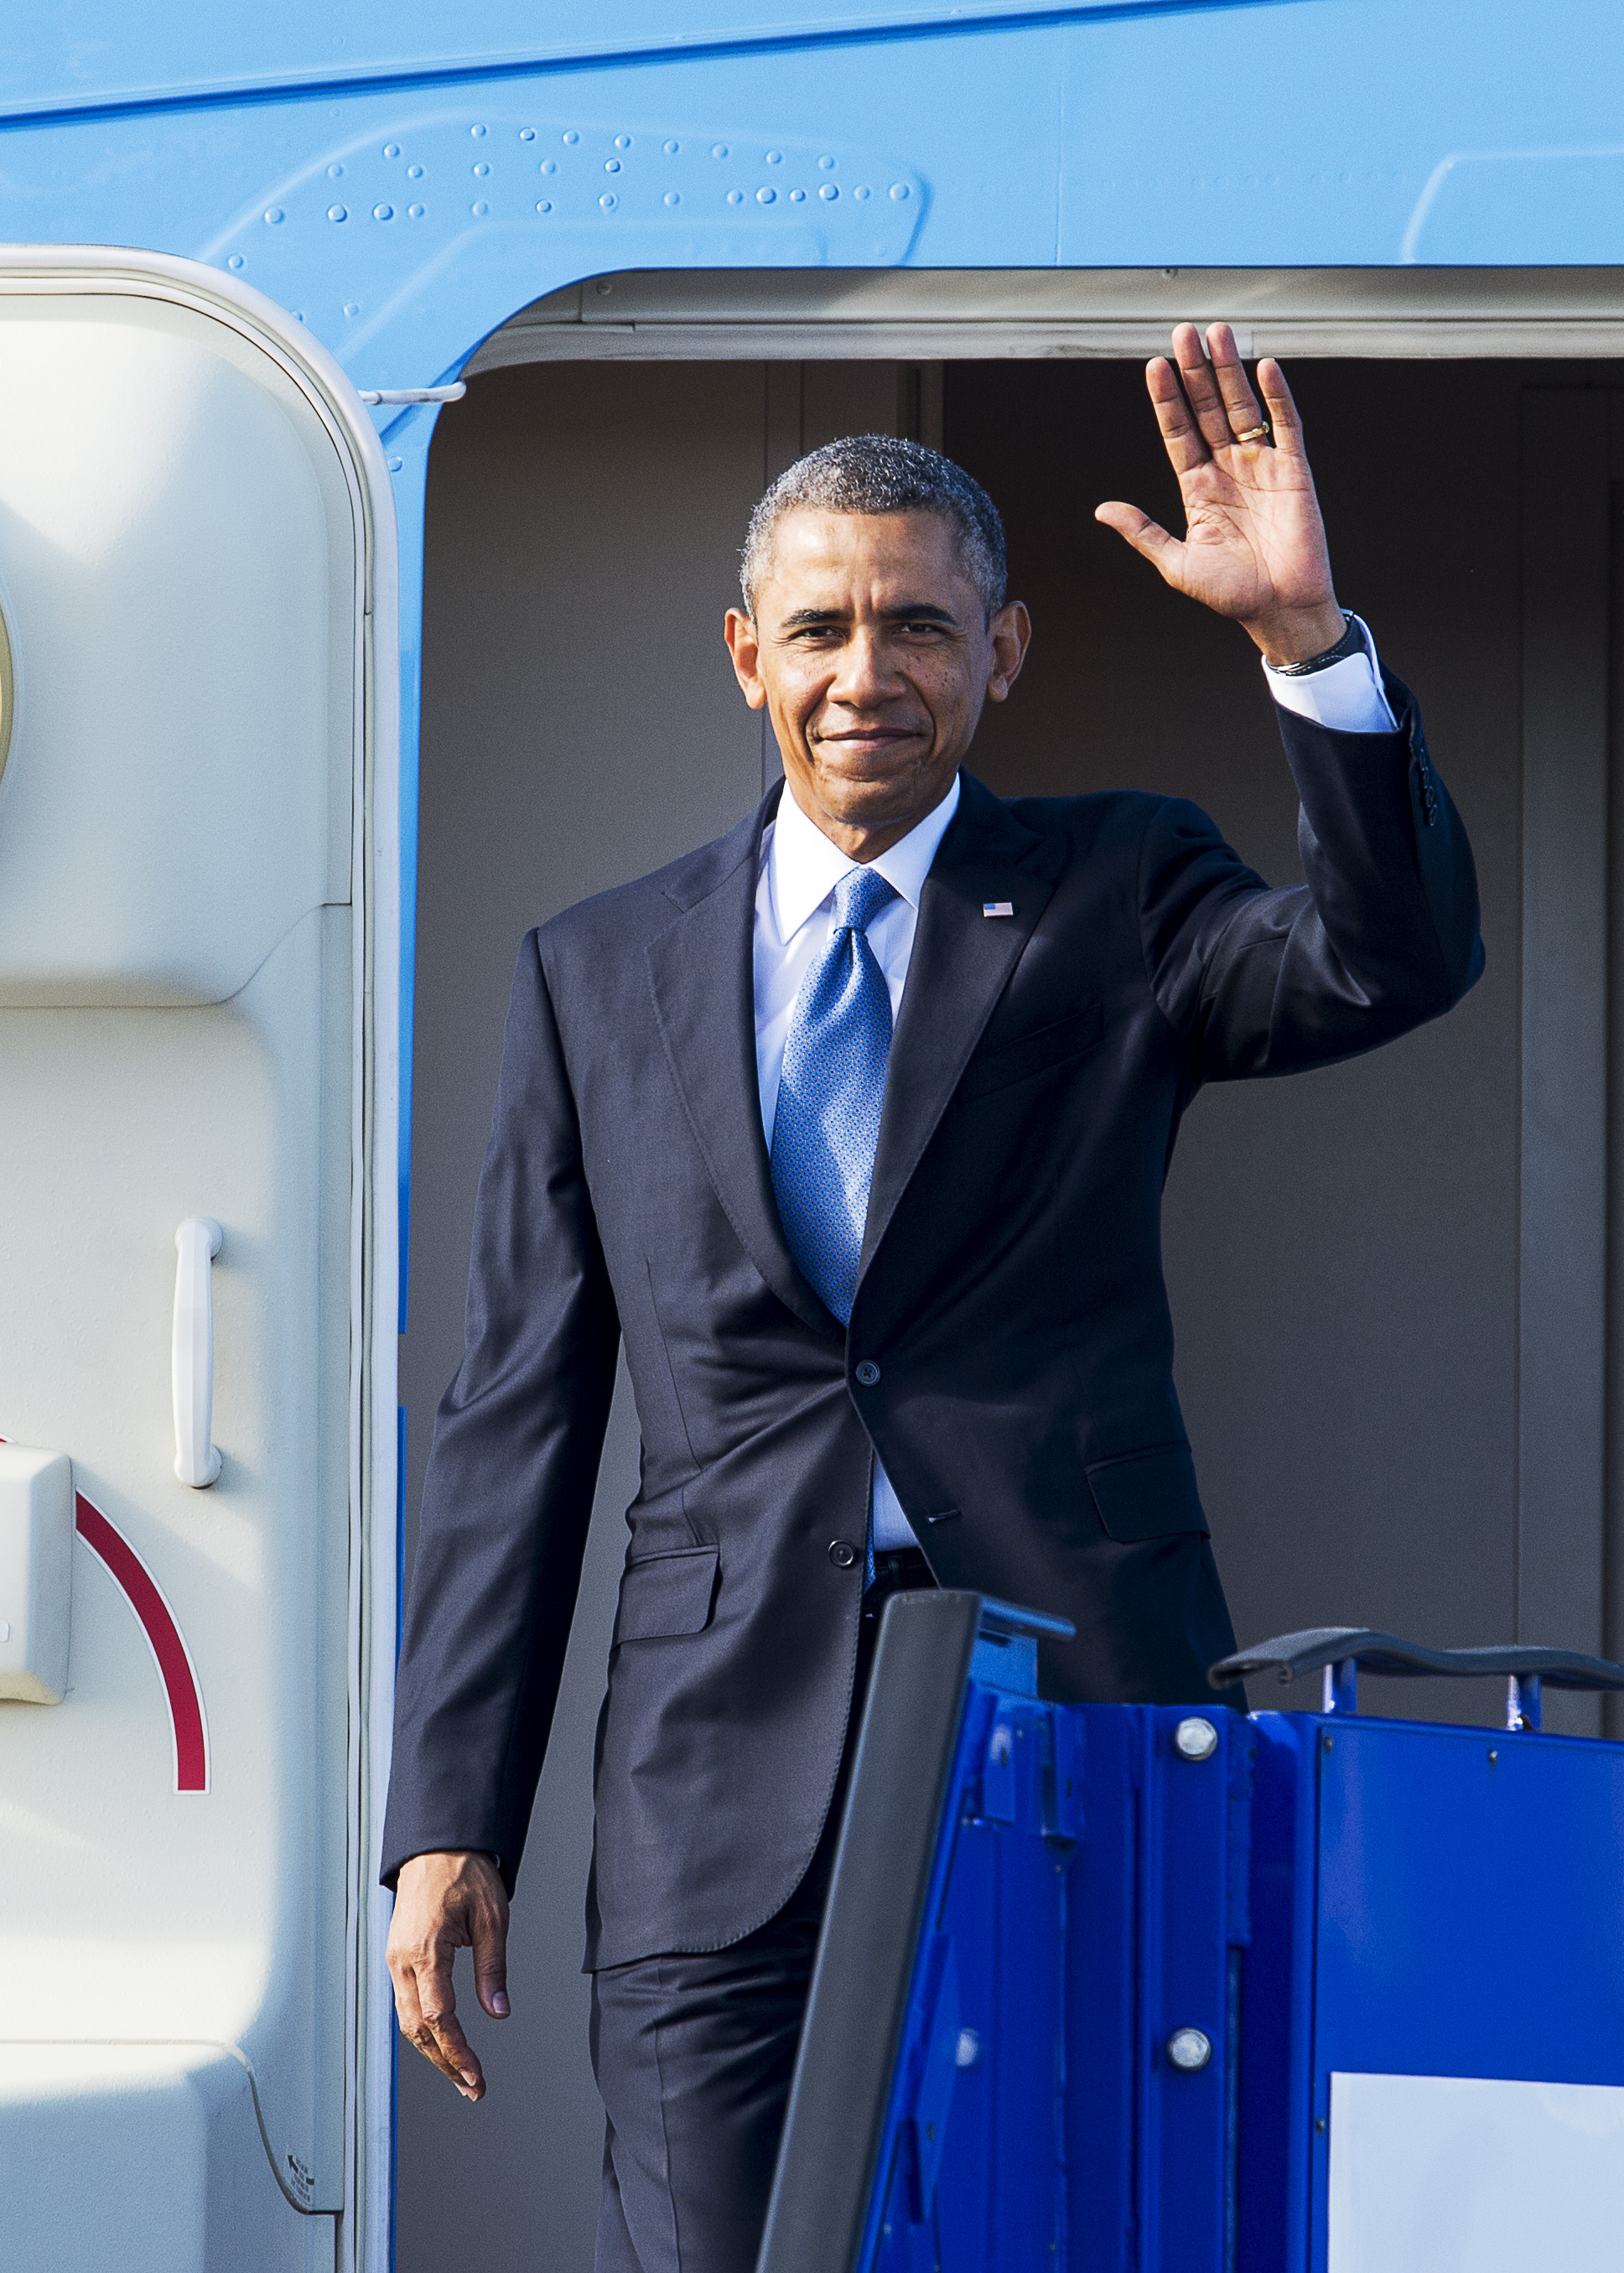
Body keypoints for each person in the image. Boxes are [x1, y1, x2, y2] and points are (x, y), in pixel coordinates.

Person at [381, 323, 1483, 2271]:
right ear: (746, 656)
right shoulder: (596, 969)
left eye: (915, 627)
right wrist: (446, 1811)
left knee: (1077, 2231)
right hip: (712, 1767)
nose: (862, 674)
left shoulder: (1115, 887)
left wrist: (1303, 642)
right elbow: (515, 1414)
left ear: (1002, 651)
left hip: (1072, 1711)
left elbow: (1381, 963)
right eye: (818, 630)